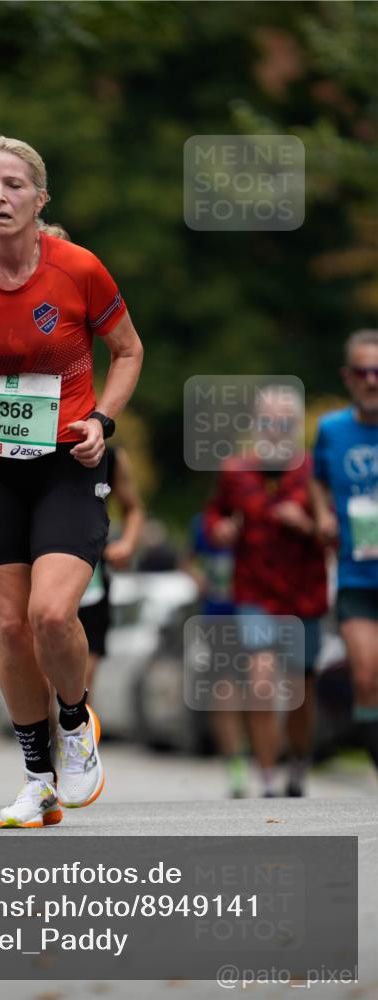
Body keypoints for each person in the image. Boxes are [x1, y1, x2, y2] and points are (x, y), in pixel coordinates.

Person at [0, 136, 143, 828]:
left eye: (13, 185)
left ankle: (74, 721)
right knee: (11, 629)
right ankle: (38, 779)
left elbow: (128, 351)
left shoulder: (78, 269)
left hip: (66, 462)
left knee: (50, 614)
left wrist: (102, 419)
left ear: (39, 199)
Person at [206, 387, 328, 796]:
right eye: (268, 421)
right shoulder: (235, 471)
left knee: (300, 690)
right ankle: (268, 776)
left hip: (304, 595)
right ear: (257, 425)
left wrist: (306, 525)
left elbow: (336, 533)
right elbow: (214, 515)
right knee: (260, 684)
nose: (275, 429)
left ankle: (298, 761)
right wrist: (221, 529)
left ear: (295, 426)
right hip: (254, 594)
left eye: (283, 422)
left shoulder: (314, 472)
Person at [310, 329, 378, 771]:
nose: (371, 380)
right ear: (347, 377)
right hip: (356, 575)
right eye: (362, 372)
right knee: (366, 676)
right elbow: (317, 479)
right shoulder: (331, 430)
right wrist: (322, 514)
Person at [181, 511, 248, 797]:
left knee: (259, 691)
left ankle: (267, 763)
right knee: (224, 691)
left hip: (258, 616)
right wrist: (198, 577)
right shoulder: (204, 522)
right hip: (217, 620)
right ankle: (236, 765)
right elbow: (187, 561)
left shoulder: (261, 516)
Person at [77, 448, 145, 699]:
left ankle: (79, 722)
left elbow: (133, 508)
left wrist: (127, 544)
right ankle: (49, 723)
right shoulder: (35, 448)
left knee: (84, 677)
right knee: (46, 668)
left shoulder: (111, 458)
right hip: (39, 572)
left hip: (92, 580)